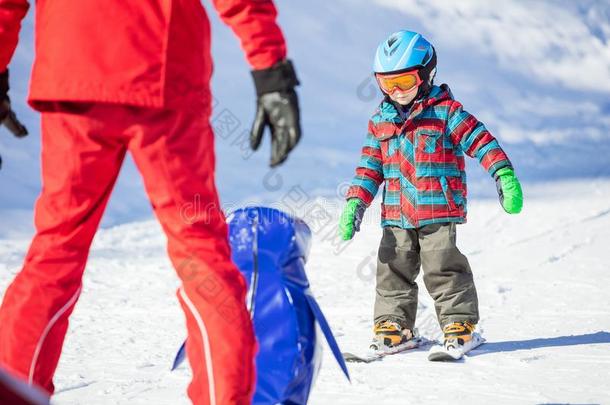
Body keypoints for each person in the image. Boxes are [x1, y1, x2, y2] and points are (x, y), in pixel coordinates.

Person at [0, 1, 301, 404]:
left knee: (55, 250)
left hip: (73, 70)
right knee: (201, 251)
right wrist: (270, 70)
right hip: (163, 72)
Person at [339, 30, 523, 352]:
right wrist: (355, 202)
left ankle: (457, 323)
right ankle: (393, 326)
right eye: (387, 84)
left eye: (405, 82)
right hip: (396, 213)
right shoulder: (379, 122)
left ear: (426, 74)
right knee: (391, 268)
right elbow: (370, 168)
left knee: (442, 265)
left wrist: (502, 173)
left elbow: (481, 141)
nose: (396, 92)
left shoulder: (446, 113)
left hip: (438, 208)